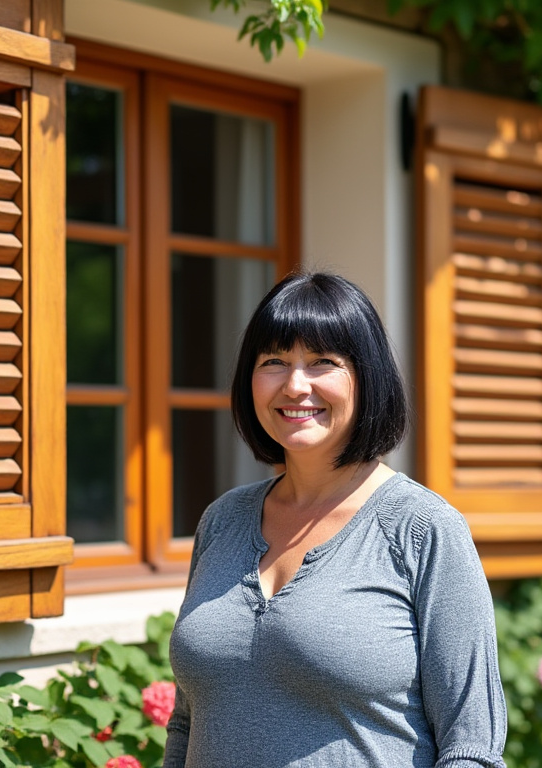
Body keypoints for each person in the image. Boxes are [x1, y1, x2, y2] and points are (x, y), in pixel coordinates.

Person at [164, 272, 508, 768]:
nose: (295, 384)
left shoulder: (424, 530)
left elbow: (471, 745)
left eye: (322, 361)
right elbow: (188, 721)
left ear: (367, 377)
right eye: (274, 362)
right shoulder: (223, 521)